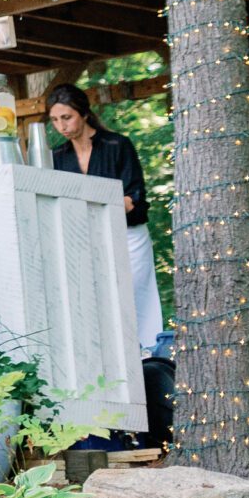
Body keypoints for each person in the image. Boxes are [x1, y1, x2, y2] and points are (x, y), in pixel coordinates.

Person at [47, 85, 164, 354]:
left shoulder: (117, 145)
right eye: (55, 120)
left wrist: (91, 206)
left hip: (128, 235)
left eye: (67, 117)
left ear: (84, 113)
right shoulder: (57, 157)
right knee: (95, 299)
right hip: (84, 238)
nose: (61, 126)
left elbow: (132, 197)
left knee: (136, 297)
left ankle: (148, 357)